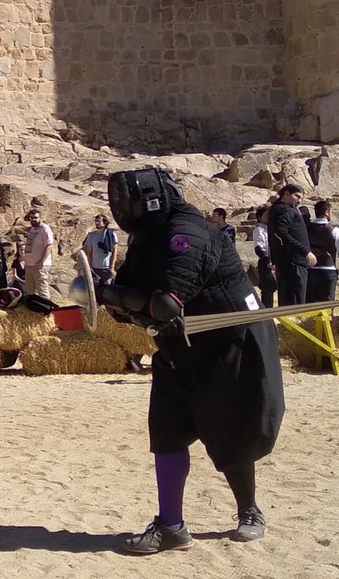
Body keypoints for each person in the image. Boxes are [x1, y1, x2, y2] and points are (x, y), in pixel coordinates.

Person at [96, 167, 283, 554]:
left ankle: (249, 510)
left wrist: (116, 298)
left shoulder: (187, 233)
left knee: (230, 431)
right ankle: (171, 526)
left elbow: (164, 303)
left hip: (231, 344)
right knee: (166, 430)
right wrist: (109, 297)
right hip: (179, 346)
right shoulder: (147, 236)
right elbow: (131, 294)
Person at [268, 184, 316, 306]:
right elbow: (281, 232)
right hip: (292, 263)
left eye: (301, 198)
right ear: (286, 194)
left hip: (291, 263)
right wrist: (305, 251)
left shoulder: (284, 208)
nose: (299, 201)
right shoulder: (283, 209)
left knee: (293, 303)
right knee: (294, 305)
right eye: (297, 196)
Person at [306, 200, 339, 303]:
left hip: (310, 270)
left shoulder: (307, 229)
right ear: (326, 212)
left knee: (309, 305)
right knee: (327, 304)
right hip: (328, 270)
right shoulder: (334, 230)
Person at [81, 214, 121, 285]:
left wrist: (112, 267)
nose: (96, 223)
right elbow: (89, 252)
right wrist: (89, 267)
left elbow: (114, 252)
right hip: (94, 268)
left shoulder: (111, 235)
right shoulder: (91, 236)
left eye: (99, 221)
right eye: (96, 221)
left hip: (106, 267)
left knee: (108, 289)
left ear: (105, 222)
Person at [22, 209, 54, 297]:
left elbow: (49, 245)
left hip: (40, 265)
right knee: (30, 290)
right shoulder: (32, 229)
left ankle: (46, 309)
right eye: (31, 218)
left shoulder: (45, 229)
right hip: (30, 264)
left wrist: (41, 261)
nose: (33, 220)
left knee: (42, 290)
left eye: (35, 218)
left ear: (41, 218)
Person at [251, 204, 277, 305]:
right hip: (266, 261)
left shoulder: (272, 228)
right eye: (266, 215)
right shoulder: (259, 230)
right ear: (260, 217)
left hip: (276, 260)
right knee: (267, 290)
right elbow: (259, 246)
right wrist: (265, 257)